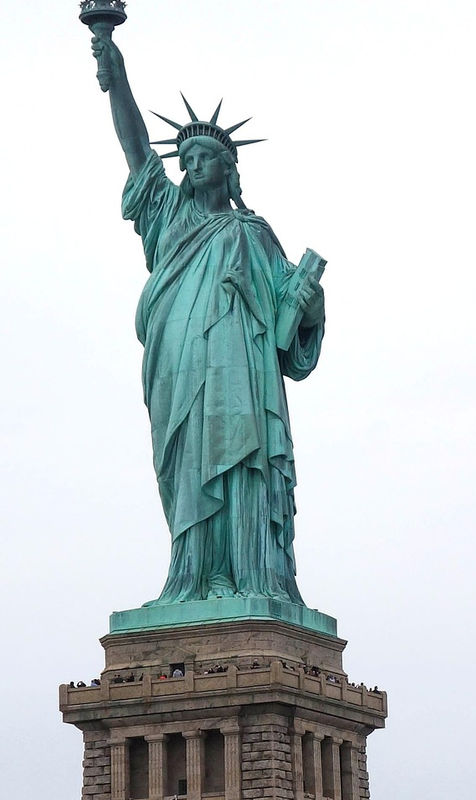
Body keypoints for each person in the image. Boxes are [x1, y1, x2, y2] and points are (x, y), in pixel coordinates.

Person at [89, 24, 325, 607]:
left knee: (240, 461)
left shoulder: (253, 233)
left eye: (205, 158)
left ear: (228, 169)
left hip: (238, 373)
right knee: (186, 462)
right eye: (187, 158)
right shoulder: (167, 216)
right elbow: (136, 146)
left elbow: (287, 333)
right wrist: (111, 64)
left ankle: (245, 576)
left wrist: (309, 303)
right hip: (177, 358)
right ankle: (192, 576)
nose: (193, 166)